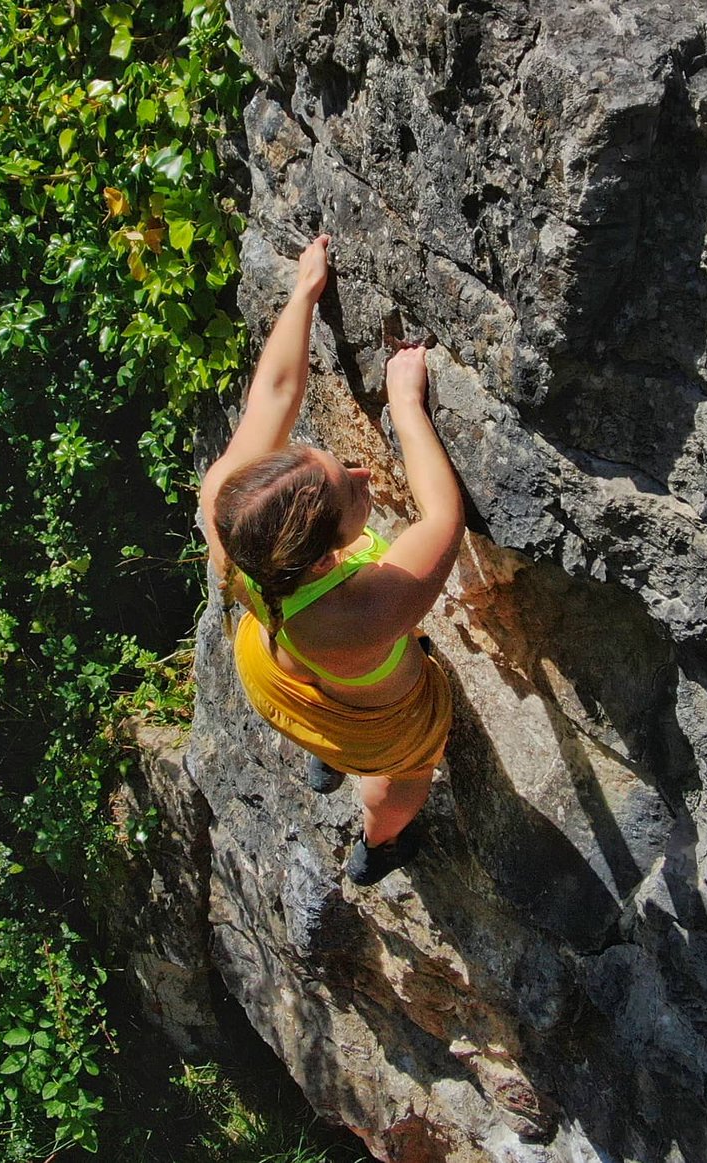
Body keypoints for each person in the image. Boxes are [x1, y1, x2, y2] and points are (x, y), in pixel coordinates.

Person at [199, 235, 464, 886]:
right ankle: (381, 842)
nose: (362, 469)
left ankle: (324, 748)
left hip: (272, 672)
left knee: (323, 718)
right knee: (403, 774)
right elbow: (442, 518)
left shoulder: (229, 510)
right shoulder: (364, 615)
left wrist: (304, 295)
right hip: (380, 720)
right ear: (323, 559)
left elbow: (276, 392)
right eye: (351, 488)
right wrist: (405, 406)